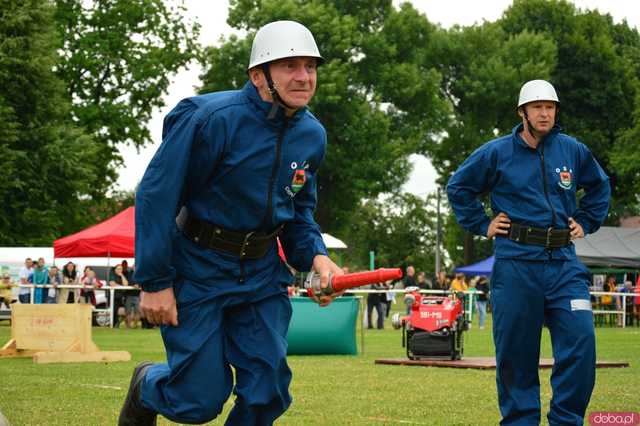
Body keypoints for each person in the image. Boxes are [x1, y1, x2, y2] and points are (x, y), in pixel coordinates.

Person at [118, 20, 343, 426]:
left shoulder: (312, 135)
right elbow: (156, 195)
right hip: (197, 268)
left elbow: (298, 213)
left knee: (267, 391)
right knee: (196, 402)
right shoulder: (209, 119)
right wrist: (154, 282)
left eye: (310, 67)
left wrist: (317, 258)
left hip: (260, 274)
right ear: (259, 75)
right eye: (290, 65)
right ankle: (146, 385)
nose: (304, 76)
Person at [447, 79, 610, 425]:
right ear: (522, 112)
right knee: (516, 356)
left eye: (550, 107)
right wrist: (482, 223)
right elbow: (459, 187)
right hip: (516, 263)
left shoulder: (572, 150)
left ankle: (566, 419)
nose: (544, 113)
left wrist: (586, 220)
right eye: (537, 107)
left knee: (581, 344)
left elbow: (599, 186)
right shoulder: (496, 152)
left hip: (564, 262)